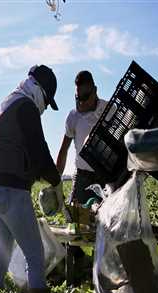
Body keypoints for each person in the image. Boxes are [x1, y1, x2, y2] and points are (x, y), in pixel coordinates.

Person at [0, 65, 63, 293]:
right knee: (35, 254)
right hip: (11, 192)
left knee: (1, 255)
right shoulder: (26, 106)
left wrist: (35, 176)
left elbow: (16, 148)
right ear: (39, 90)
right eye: (47, 102)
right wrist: (57, 183)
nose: (45, 108)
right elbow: (39, 150)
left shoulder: (8, 102)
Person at [56, 71, 108, 205]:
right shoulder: (73, 117)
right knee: (78, 220)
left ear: (95, 90)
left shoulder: (108, 109)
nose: (82, 102)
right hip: (82, 178)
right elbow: (63, 150)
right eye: (78, 98)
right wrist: (56, 182)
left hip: (105, 177)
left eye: (86, 97)